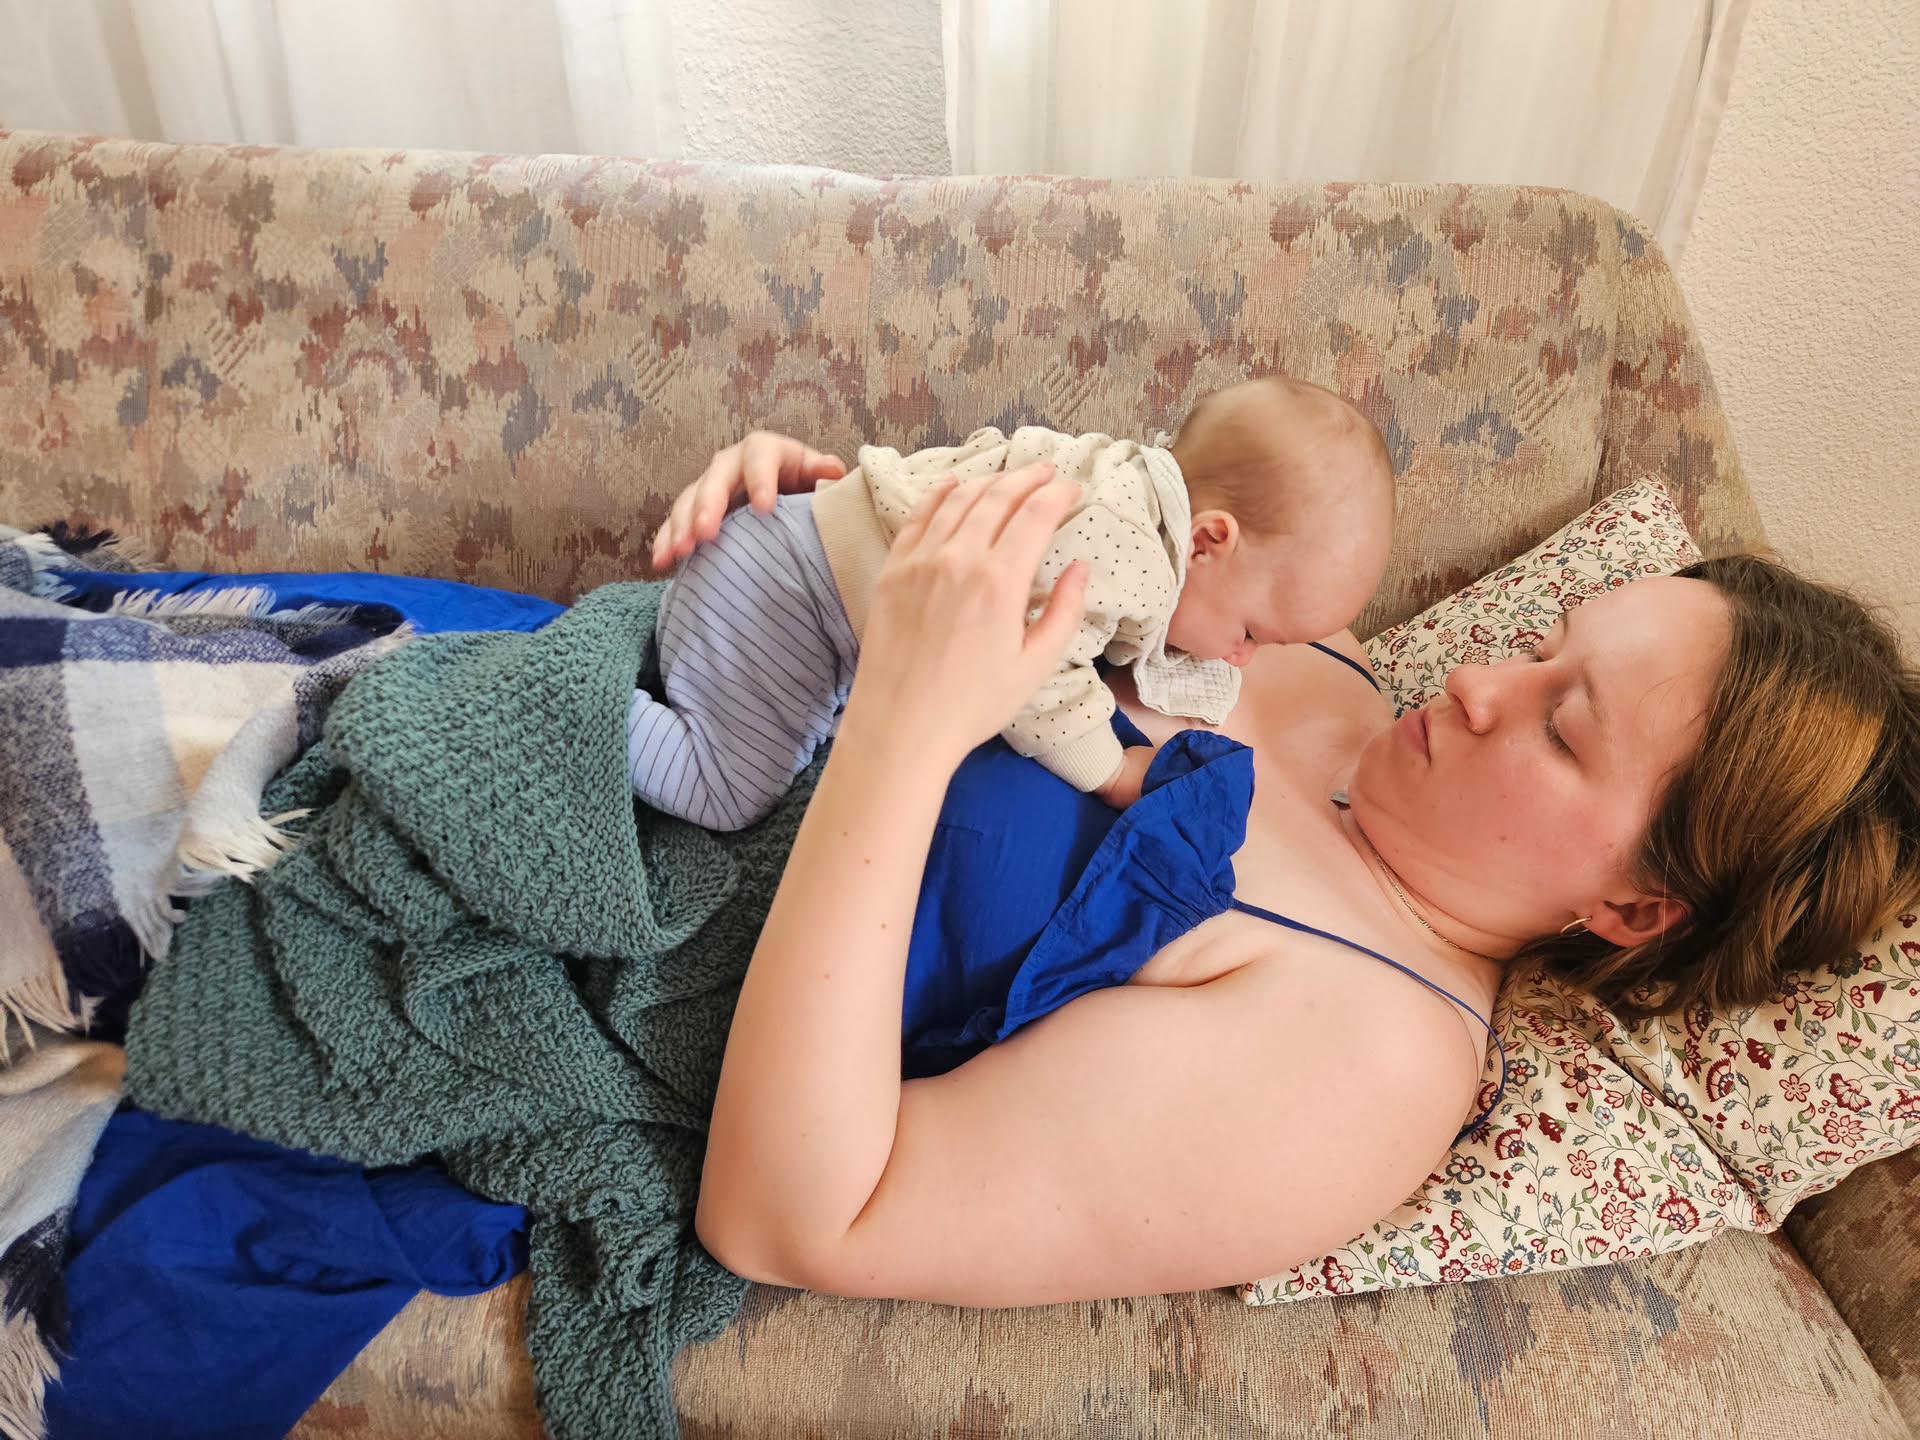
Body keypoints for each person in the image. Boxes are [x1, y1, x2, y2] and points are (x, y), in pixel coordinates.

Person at [667, 432, 1920, 1307]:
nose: (1476, 681)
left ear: (1634, 907)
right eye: (1544, 645)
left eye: (1561, 727)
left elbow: (790, 1221)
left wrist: (902, 718)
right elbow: (1074, 529)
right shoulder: (1319, 654)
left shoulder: (1364, 1066)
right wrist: (837, 542)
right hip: (657, 687)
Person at [630, 377, 1394, 827]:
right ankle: (590, 713)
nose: (1240, 658)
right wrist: (1108, 770)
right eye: (1252, 631)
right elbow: (1032, 674)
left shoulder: (1119, 480)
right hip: (793, 599)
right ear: (1206, 541)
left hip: (787, 550)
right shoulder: (1130, 554)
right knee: (727, 793)